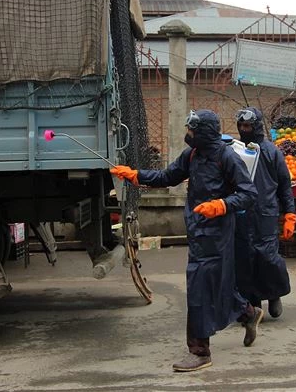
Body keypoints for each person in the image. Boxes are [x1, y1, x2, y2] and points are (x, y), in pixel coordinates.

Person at [110, 109, 263, 372]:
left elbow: (249, 193)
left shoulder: (226, 157)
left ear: (203, 132)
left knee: (199, 287)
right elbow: (168, 177)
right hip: (197, 231)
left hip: (217, 233)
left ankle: (200, 351)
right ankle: (247, 312)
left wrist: (222, 205)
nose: (188, 135)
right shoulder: (192, 155)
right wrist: (136, 176)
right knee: (217, 282)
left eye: (192, 130)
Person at [233, 107, 295, 319]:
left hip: (266, 212)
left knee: (267, 257)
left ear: (257, 126)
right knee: (246, 259)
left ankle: (274, 295)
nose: (244, 129)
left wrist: (290, 214)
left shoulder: (271, 151)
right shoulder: (237, 150)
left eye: (248, 126)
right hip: (242, 213)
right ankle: (252, 304)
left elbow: (284, 185)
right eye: (241, 126)